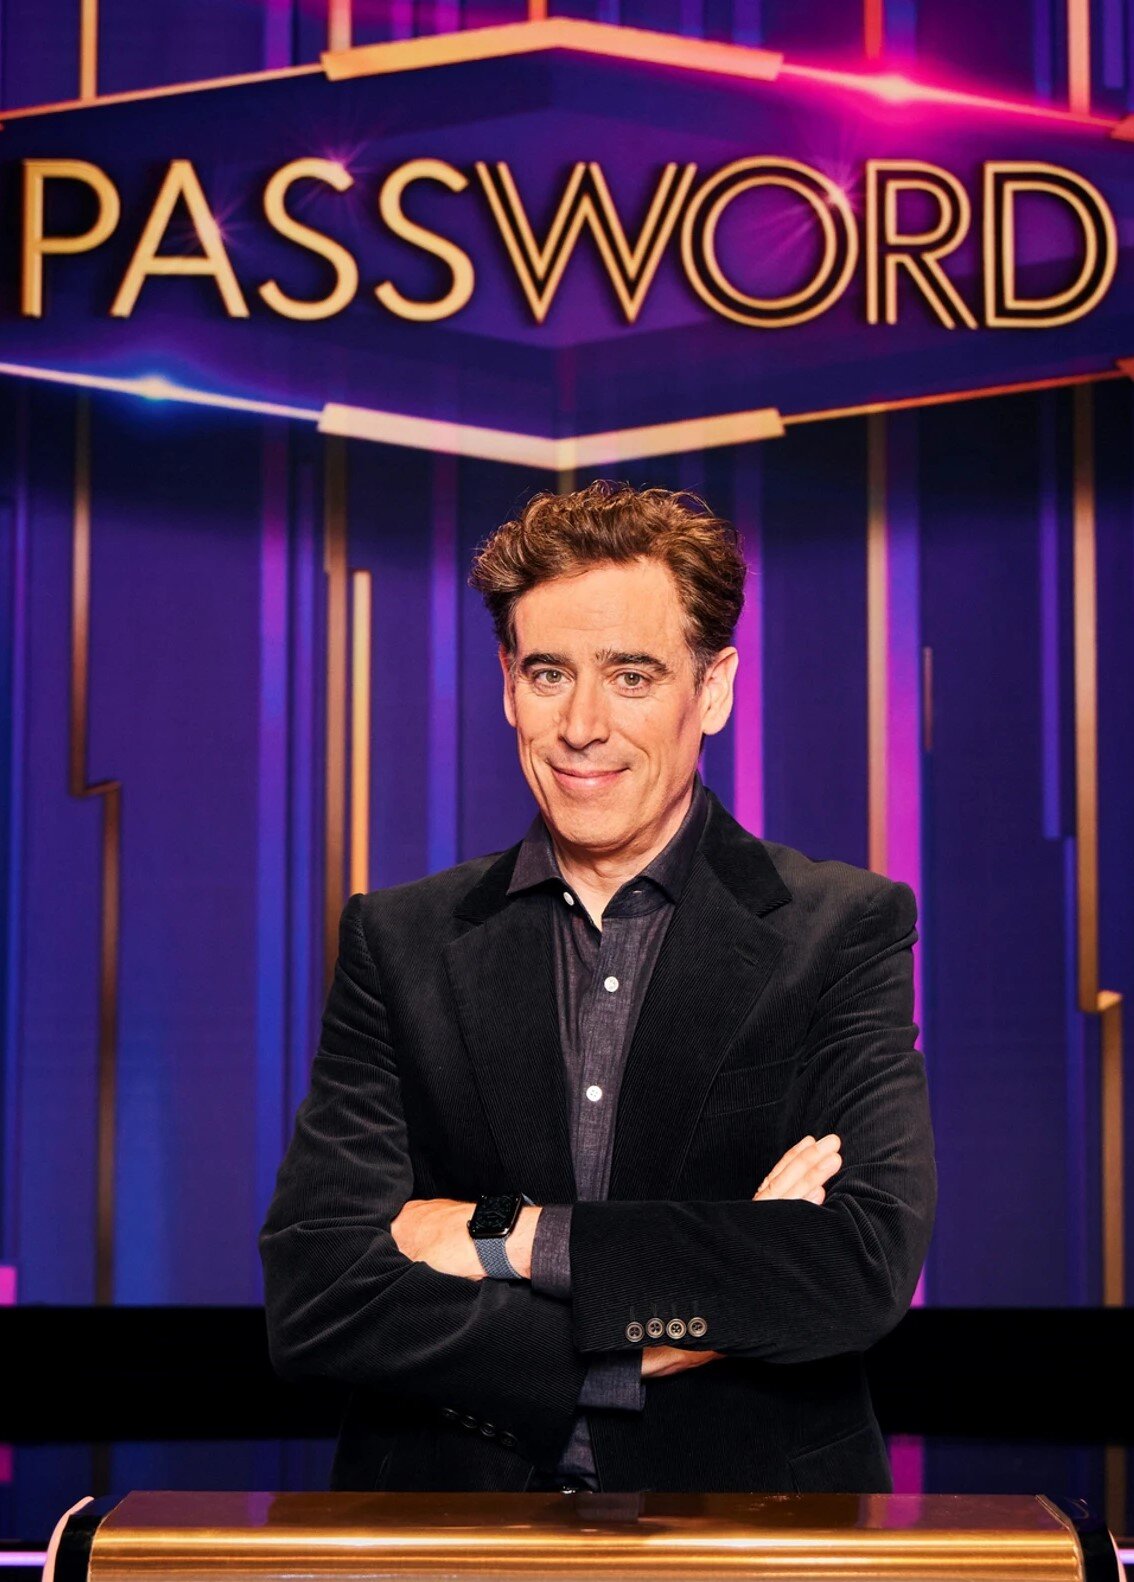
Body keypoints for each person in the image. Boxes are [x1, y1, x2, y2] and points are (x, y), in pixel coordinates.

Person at [258, 480, 937, 1494]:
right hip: (447, 1533)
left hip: (751, 1530)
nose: (582, 724)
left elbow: (856, 1265)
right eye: (549, 673)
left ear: (713, 689)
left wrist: (496, 1234)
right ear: (508, 686)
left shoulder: (842, 929)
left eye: (631, 675)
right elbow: (319, 1290)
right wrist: (636, 1346)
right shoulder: (397, 941)